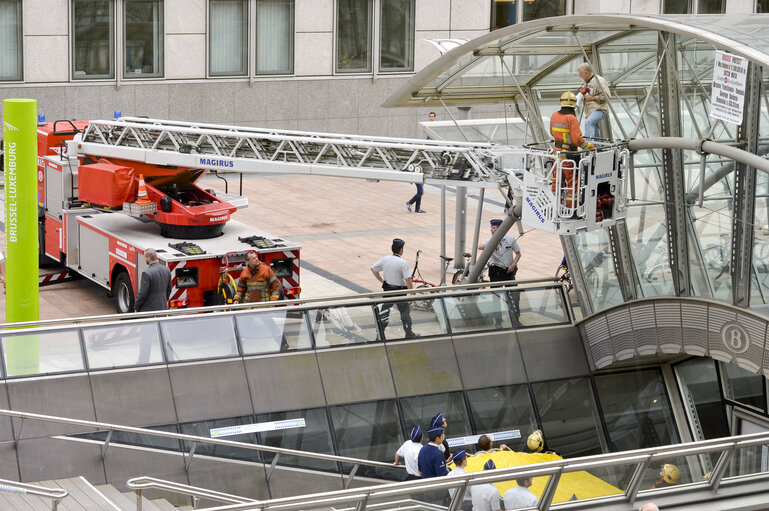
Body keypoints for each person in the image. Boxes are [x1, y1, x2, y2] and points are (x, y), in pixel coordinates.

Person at [550, 91, 594, 213]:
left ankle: (555, 205)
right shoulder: (571, 118)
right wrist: (590, 146)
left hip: (557, 154)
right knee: (572, 184)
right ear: (574, 104)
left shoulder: (554, 115)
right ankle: (571, 209)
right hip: (569, 156)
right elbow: (577, 140)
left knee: (557, 180)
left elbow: (552, 132)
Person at [371, 239, 418, 339]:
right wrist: (412, 292)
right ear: (401, 250)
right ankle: (408, 333)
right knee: (405, 313)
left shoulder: (385, 259)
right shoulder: (403, 263)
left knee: (384, 312)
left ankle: (380, 334)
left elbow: (373, 269)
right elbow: (408, 279)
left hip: (388, 290)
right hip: (400, 291)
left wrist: (382, 281)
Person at [478, 219, 522, 326]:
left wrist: (513, 265)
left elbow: (518, 254)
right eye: (491, 228)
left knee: (514, 295)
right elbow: (480, 246)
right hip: (496, 272)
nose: (491, 230)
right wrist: (492, 245)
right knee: (496, 297)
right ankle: (498, 322)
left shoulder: (510, 239)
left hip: (508, 272)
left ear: (501, 229)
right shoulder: (490, 240)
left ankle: (515, 320)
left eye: (494, 228)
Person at [576, 62, 610, 140]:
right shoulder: (588, 82)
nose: (580, 76)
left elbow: (606, 96)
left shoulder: (599, 81)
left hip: (599, 109)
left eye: (581, 74)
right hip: (591, 111)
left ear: (586, 73)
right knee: (595, 127)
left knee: (589, 122)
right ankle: (598, 147)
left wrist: (593, 98)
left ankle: (588, 144)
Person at [134, 248, 172, 312]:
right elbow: (169, 289)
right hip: (162, 308)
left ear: (148, 258)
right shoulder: (167, 270)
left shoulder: (146, 273)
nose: (145, 259)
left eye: (145, 257)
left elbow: (142, 294)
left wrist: (136, 307)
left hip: (148, 311)